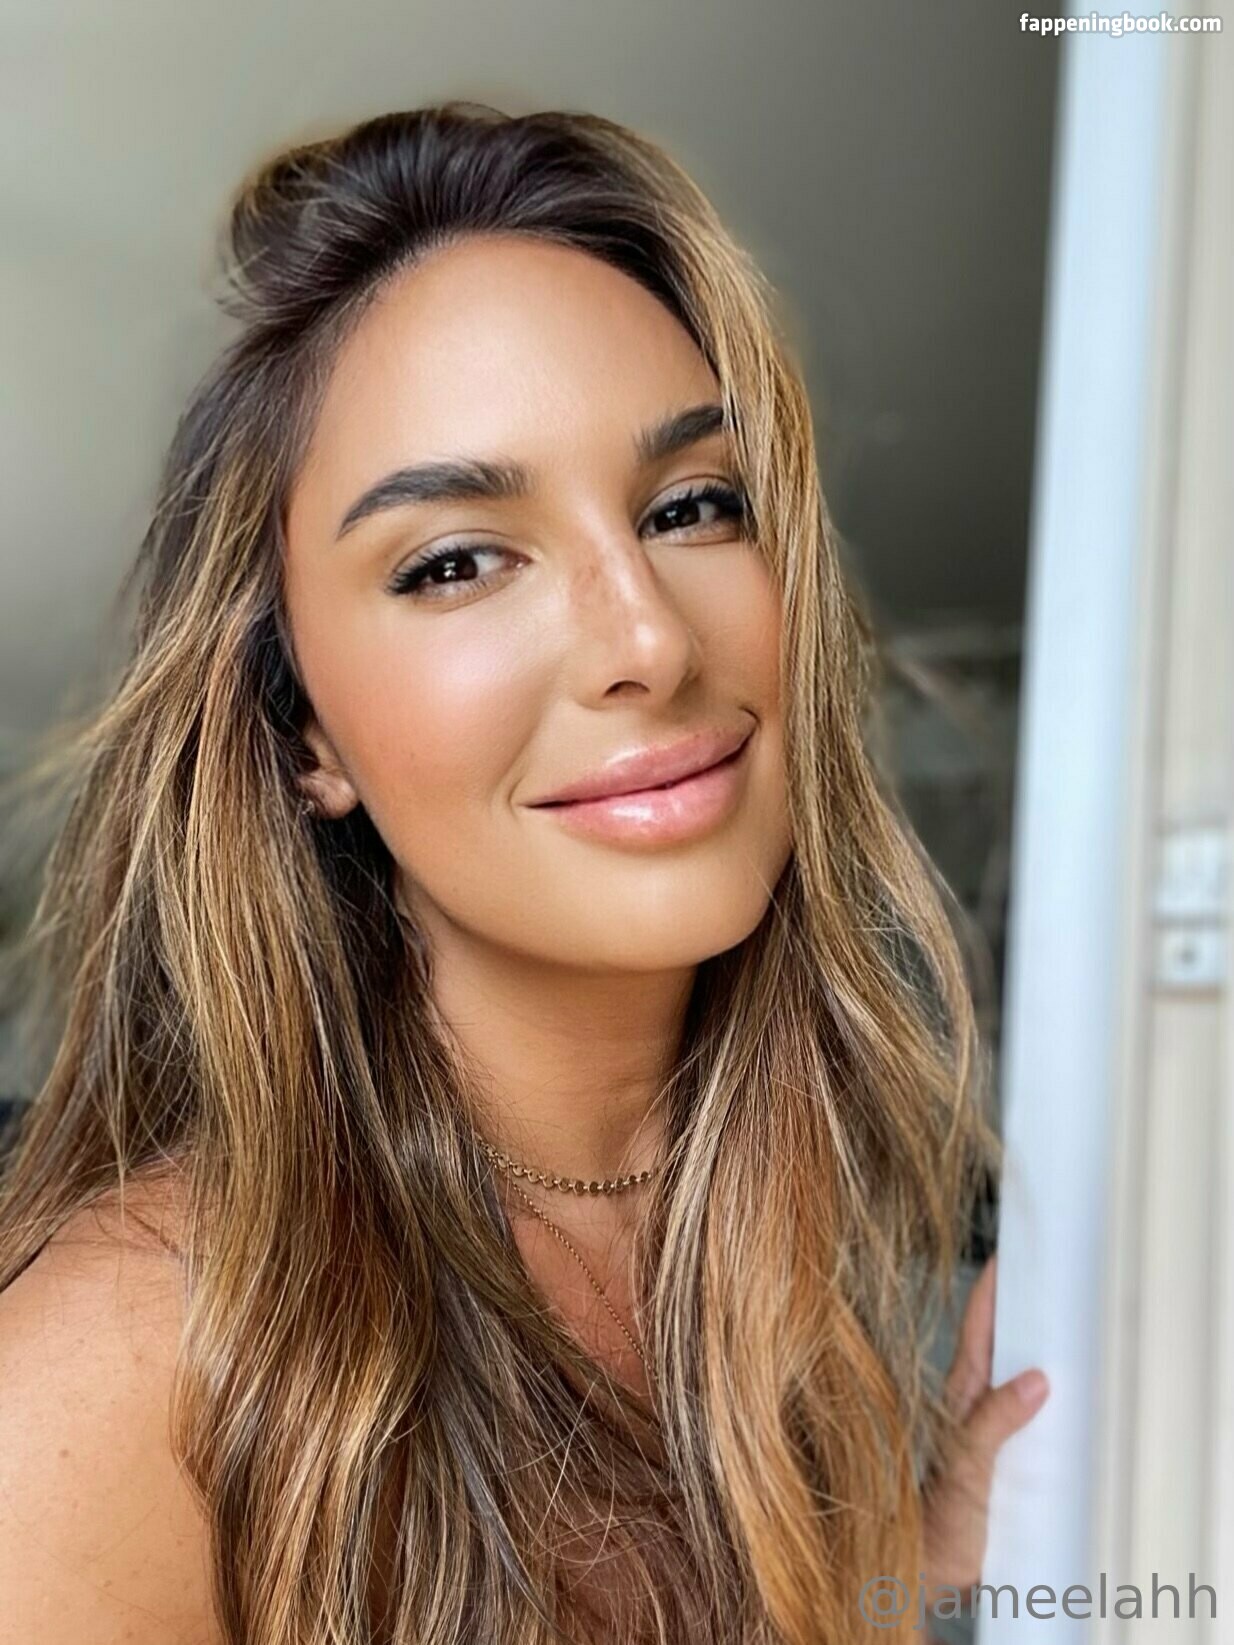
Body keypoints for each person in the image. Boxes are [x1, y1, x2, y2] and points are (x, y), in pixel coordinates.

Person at [0, 101, 1048, 1645]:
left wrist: (901, 1573)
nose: (646, 639)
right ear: (304, 733)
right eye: (455, 561)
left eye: (691, 505)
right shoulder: (134, 1374)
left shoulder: (772, 1237)